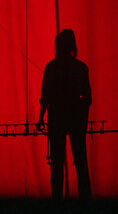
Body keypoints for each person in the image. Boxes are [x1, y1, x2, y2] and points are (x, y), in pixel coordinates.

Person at [37, 29, 92, 199]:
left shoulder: (51, 67)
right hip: (75, 118)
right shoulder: (81, 68)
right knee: (80, 160)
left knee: (57, 162)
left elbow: (45, 96)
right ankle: (85, 200)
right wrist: (82, 116)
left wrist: (40, 117)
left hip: (57, 117)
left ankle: (57, 202)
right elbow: (88, 97)